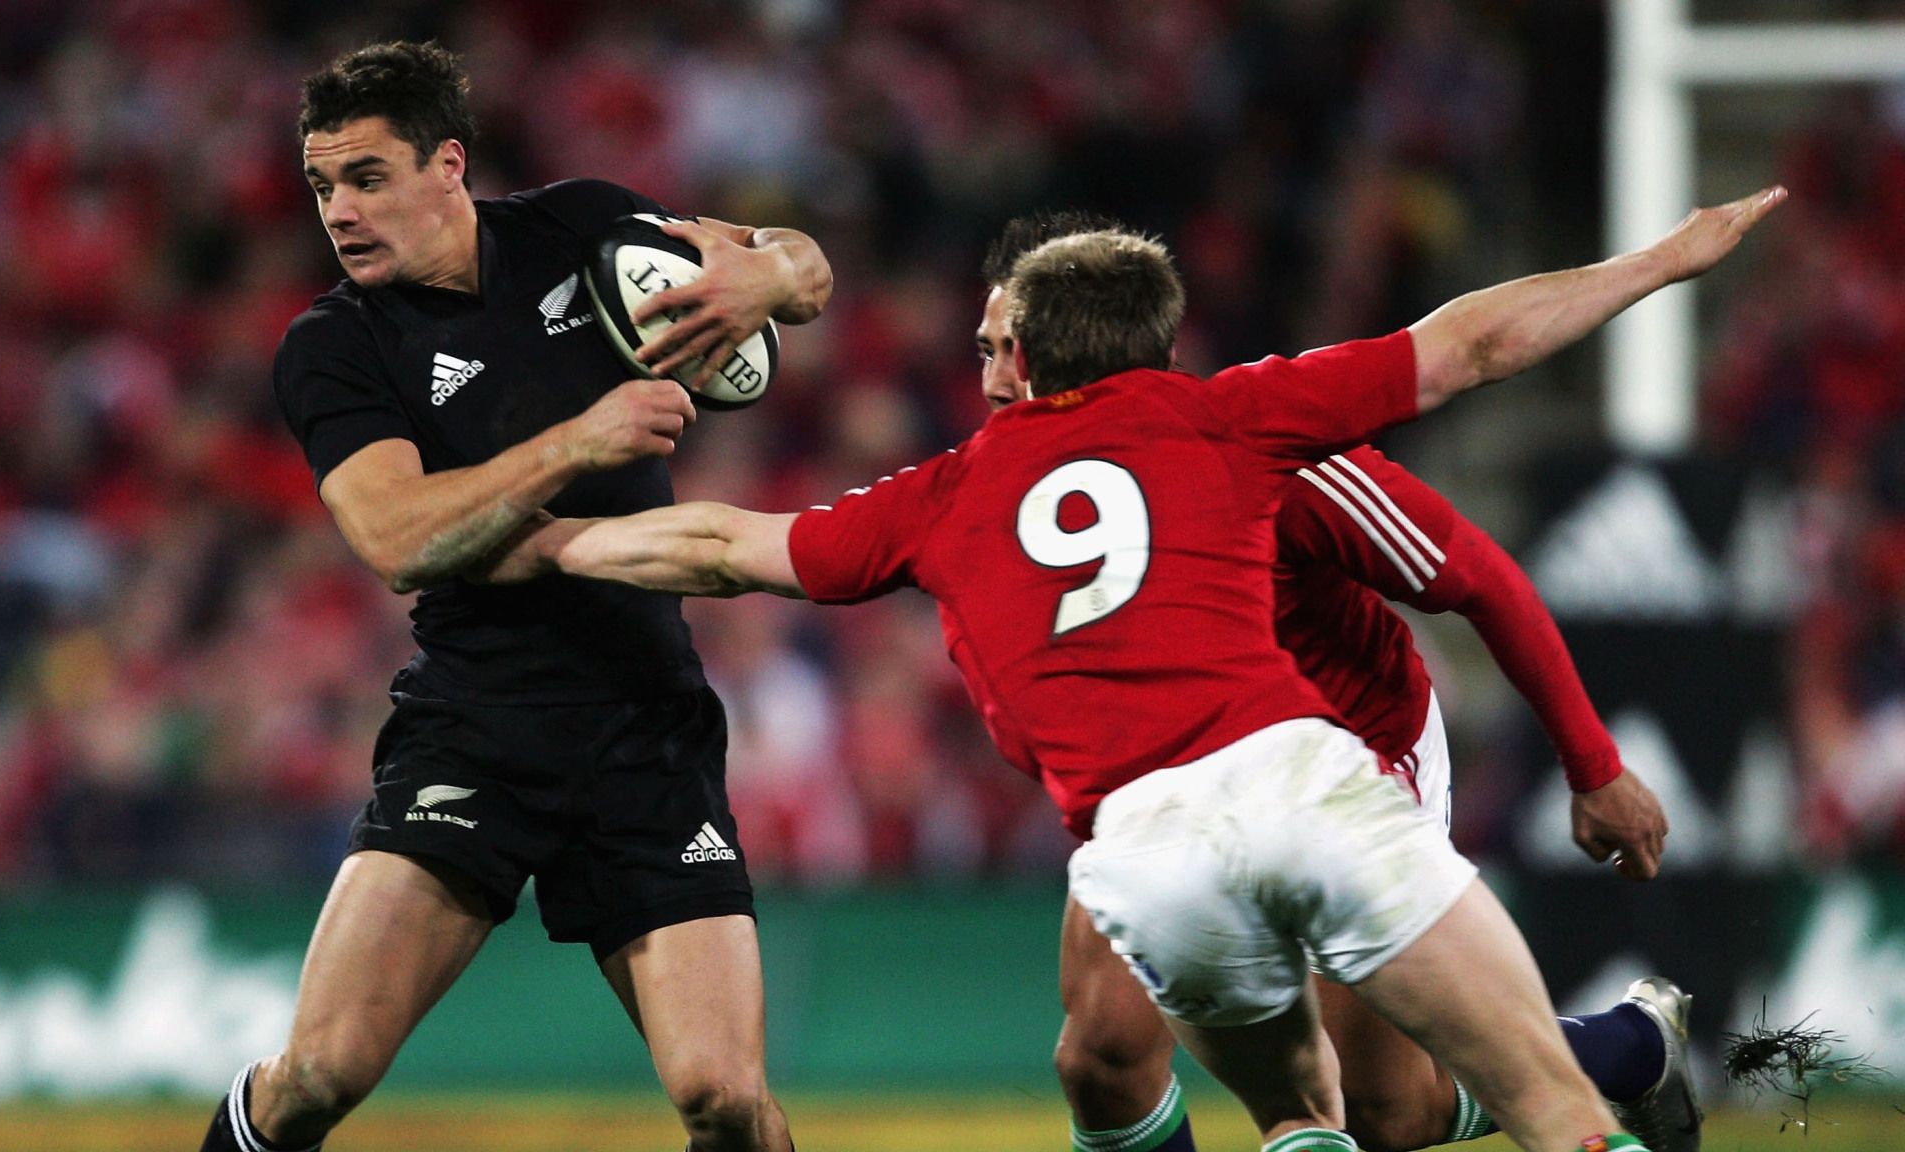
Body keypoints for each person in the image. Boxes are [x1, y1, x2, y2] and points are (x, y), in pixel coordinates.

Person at [511, 187, 1783, 1152]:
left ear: (1029, 358)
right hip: (1274, 776)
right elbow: (1468, 343)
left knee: (1350, 1112)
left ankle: (1616, 1046)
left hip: (1293, 768)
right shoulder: (1236, 419)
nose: (976, 354)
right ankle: (1588, 1066)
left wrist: (531, 531)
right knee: (1109, 1061)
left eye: (992, 336)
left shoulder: (959, 490)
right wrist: (1664, 260)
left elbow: (727, 544)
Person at [199, 41, 831, 1152]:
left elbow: (803, 269)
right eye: (320, 186)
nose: (337, 210)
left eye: (365, 177)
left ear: (448, 165)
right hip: (475, 730)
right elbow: (396, 536)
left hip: (646, 725)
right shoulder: (335, 346)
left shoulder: (581, 226)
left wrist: (769, 274)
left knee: (726, 1100)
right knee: (315, 1076)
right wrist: (579, 444)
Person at [972, 212, 1696, 1152]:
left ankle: (1630, 1049)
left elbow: (1480, 580)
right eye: (984, 351)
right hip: (1171, 784)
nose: (991, 382)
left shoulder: (1269, 450)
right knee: (1100, 1059)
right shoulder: (1009, 490)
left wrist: (1593, 766)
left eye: (1008, 352)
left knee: (1391, 1113)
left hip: (1349, 759)